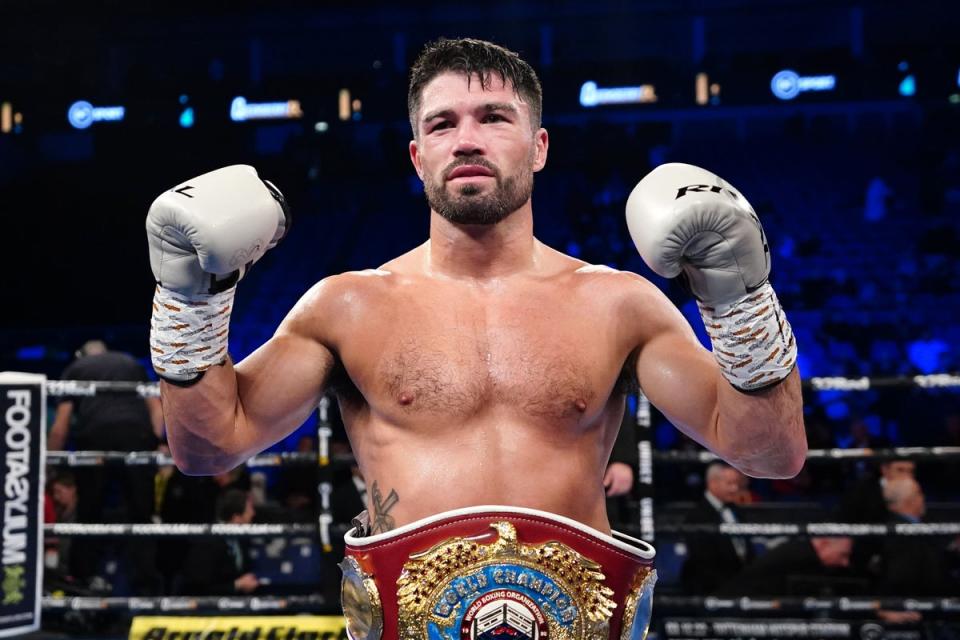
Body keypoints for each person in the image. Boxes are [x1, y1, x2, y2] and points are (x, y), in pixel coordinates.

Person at [146, 38, 804, 639]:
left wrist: (738, 298)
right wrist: (188, 304)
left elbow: (770, 454)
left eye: (493, 117)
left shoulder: (619, 303)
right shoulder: (346, 306)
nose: (466, 139)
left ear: (539, 147)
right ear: (417, 155)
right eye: (442, 123)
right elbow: (208, 449)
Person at [48, 339, 164, 594]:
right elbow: (156, 407)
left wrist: (50, 463)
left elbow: (61, 425)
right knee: (141, 515)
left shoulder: (76, 368)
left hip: (95, 437)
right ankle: (146, 588)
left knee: (89, 514)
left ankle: (82, 581)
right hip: (137, 435)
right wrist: (155, 443)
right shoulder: (130, 362)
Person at [680, 463, 753, 594]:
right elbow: (702, 563)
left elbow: (748, 550)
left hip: (741, 587)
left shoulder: (737, 510)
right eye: (729, 483)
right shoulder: (696, 516)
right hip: (711, 591)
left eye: (737, 484)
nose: (735, 489)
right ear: (713, 484)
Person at [179, 489, 260, 596]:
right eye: (250, 509)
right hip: (211, 608)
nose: (253, 513)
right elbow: (199, 587)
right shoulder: (208, 542)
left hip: (236, 604)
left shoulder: (239, 538)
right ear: (237, 518)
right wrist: (236, 585)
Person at [713, 536, 853, 596]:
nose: (844, 563)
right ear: (823, 544)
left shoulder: (801, 550)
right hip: (737, 608)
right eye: (843, 555)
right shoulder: (803, 559)